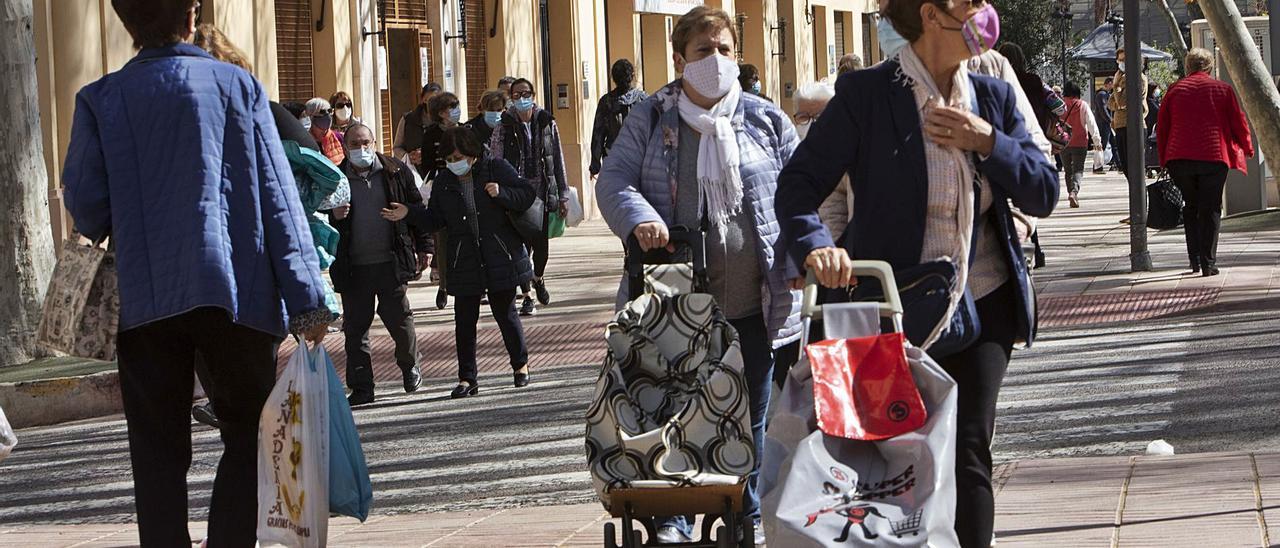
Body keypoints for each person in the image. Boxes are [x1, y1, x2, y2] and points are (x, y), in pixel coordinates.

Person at [773, 1, 1057, 546]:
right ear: (931, 14)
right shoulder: (866, 96)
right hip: (883, 309)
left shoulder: (992, 95)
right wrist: (817, 248)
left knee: (969, 448)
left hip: (982, 303)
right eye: (969, 2)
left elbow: (1042, 190)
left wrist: (987, 142)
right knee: (876, 459)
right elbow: (799, 187)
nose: (984, 12)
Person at [61, 0, 332, 544]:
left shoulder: (100, 99)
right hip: (237, 291)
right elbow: (280, 198)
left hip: (144, 300)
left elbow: (87, 206)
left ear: (126, 22)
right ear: (191, 14)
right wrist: (308, 296)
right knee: (250, 434)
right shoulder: (238, 87)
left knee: (157, 452)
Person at [596, 7, 801, 544]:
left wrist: (802, 253)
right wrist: (640, 218)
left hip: (755, 299)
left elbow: (802, 193)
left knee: (749, 413)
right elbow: (614, 178)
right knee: (673, 408)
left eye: (725, 49)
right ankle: (673, 518)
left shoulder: (763, 118)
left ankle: (746, 514)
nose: (715, 60)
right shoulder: (652, 116)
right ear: (679, 57)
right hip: (673, 301)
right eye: (704, 50)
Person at [381, 127, 535, 397]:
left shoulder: (495, 168)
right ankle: (467, 378)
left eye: (459, 156)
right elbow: (435, 219)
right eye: (449, 159)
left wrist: (502, 194)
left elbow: (526, 195)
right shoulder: (444, 182)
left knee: (506, 314)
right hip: (464, 258)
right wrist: (409, 213)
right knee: (464, 320)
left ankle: (520, 366)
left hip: (499, 254)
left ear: (473, 154)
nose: (455, 163)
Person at [330, 124, 430, 406]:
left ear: (374, 143)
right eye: (354, 143)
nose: (360, 148)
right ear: (345, 146)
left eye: (365, 142)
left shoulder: (395, 171)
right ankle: (362, 386)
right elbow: (321, 216)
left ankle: (410, 366)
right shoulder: (335, 177)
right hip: (353, 266)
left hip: (391, 261)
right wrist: (333, 214)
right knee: (355, 329)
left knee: (400, 321)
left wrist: (426, 248)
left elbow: (416, 210)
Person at [1157, 48, 1252, 277]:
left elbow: (1162, 128)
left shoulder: (1174, 90)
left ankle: (1195, 260)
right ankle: (1209, 263)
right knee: (1210, 208)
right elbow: (1237, 121)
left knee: (1190, 206)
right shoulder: (1222, 89)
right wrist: (1247, 147)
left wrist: (1163, 159)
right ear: (1209, 67)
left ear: (1188, 67)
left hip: (1180, 159)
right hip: (1213, 157)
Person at [489, 78, 570, 317]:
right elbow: (496, 158)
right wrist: (500, 190)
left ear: (533, 94)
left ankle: (538, 277)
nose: (521, 98)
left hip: (543, 191)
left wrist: (563, 194)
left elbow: (557, 156)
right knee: (520, 248)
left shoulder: (546, 121)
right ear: (511, 97)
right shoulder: (503, 125)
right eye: (516, 94)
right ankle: (527, 296)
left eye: (525, 93)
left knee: (541, 246)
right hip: (516, 193)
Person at [590, 59, 649, 177]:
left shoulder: (606, 102)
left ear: (614, 78)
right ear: (632, 76)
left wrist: (595, 166)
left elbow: (598, 134)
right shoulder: (644, 100)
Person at [1060, 82, 1102, 208]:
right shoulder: (1082, 105)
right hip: (1079, 142)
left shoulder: (1060, 105)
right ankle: (1074, 192)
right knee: (1078, 169)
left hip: (1063, 142)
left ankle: (1071, 193)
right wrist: (1097, 141)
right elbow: (1091, 123)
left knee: (1068, 171)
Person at [1108, 47, 1148, 176]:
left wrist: (1115, 86)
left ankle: (1140, 195)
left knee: (1134, 169)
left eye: (1124, 60)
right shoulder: (1120, 78)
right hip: (1120, 125)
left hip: (1133, 125)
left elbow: (1122, 102)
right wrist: (1118, 96)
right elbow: (1110, 104)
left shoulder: (1138, 78)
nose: (1121, 63)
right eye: (1119, 60)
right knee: (1125, 167)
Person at [392, 82, 444, 175]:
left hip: (439, 172)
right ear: (424, 99)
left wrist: (427, 154)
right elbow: (397, 148)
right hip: (414, 173)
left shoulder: (445, 120)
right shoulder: (408, 119)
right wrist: (409, 157)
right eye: (431, 99)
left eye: (438, 99)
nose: (434, 103)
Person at [306, 97, 346, 165]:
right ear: (310, 117)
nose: (327, 117)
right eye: (322, 113)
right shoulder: (304, 141)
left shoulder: (339, 138)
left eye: (330, 111)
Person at [1094, 77, 1115, 173]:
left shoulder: (1106, 94)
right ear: (1108, 83)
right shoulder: (1102, 95)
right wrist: (1110, 120)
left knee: (1114, 143)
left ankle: (1118, 164)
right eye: (1112, 83)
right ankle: (1097, 166)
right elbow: (1103, 110)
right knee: (1102, 144)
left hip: (1106, 123)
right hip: (1104, 124)